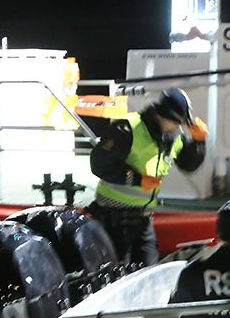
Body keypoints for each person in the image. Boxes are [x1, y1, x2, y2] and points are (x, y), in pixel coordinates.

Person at [88, 88, 207, 270]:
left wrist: (199, 142)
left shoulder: (172, 137)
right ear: (163, 116)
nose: (179, 128)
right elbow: (98, 164)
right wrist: (137, 180)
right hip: (113, 216)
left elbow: (188, 165)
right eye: (176, 123)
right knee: (119, 273)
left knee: (149, 271)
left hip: (143, 218)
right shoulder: (128, 128)